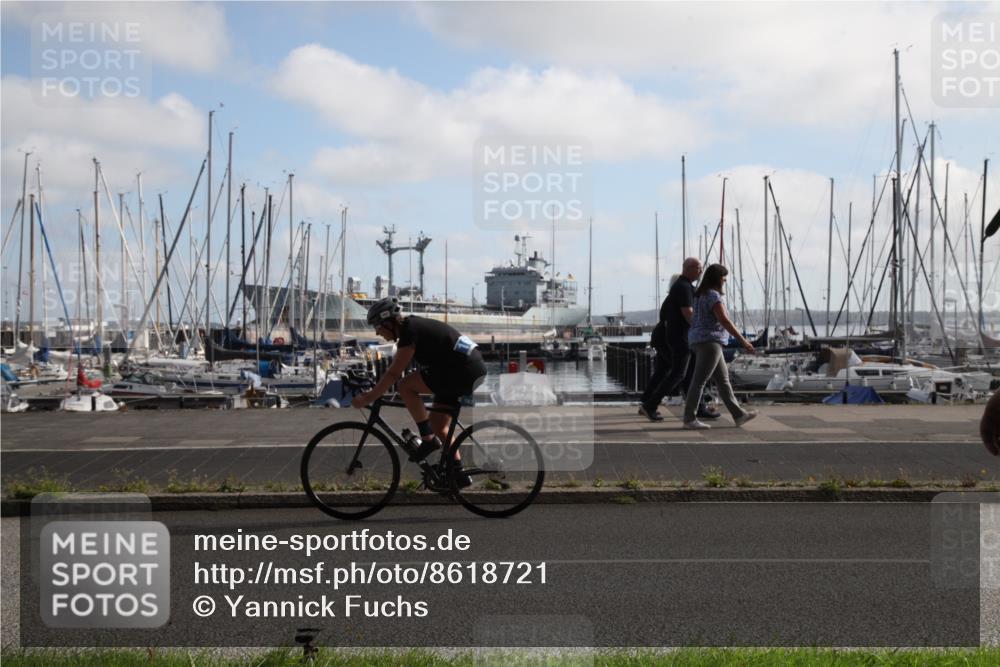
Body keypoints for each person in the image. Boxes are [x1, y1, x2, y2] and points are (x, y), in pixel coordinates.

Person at [351, 298, 487, 464]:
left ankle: (427, 439)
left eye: (377, 327)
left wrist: (369, 397)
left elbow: (394, 373)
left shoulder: (409, 331)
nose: (377, 333)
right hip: (466, 368)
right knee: (438, 426)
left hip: (462, 370)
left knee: (405, 386)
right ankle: (457, 471)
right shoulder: (413, 326)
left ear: (388, 323)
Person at [638, 258, 718, 422]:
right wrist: (703, 329)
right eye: (699, 268)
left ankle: (698, 408)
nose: (701, 271)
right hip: (680, 338)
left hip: (679, 337)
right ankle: (650, 405)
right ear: (689, 268)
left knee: (685, 374)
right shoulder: (683, 287)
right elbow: (689, 314)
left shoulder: (684, 287)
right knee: (678, 373)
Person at [683, 264, 757, 430]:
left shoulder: (699, 295)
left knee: (723, 381)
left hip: (698, 340)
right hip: (710, 342)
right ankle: (689, 418)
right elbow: (724, 320)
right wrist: (743, 341)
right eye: (723, 278)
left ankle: (739, 415)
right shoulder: (713, 296)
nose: (725, 281)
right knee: (699, 381)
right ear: (717, 279)